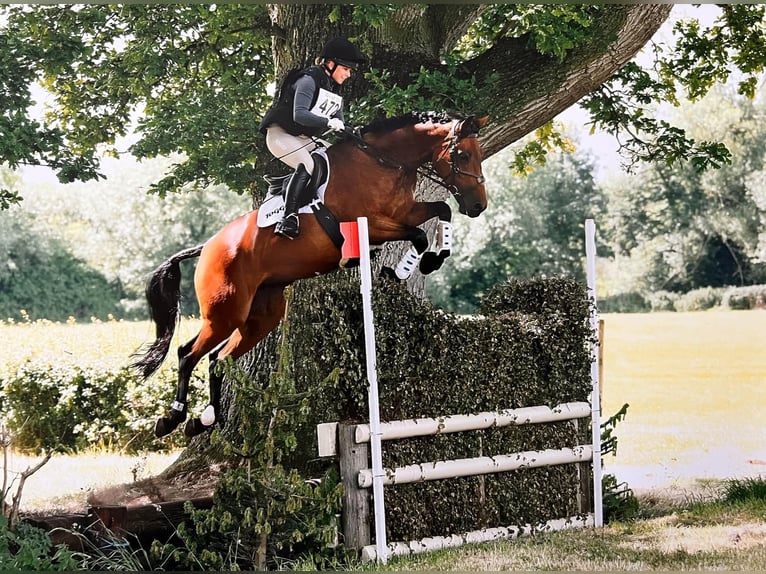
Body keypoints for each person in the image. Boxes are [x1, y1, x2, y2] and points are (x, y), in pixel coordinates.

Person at [259, 37, 365, 239]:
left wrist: (356, 134)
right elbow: (299, 114)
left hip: (300, 138)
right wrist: (328, 122)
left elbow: (340, 126)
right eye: (346, 68)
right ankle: (288, 218)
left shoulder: (333, 90)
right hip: (280, 134)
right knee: (308, 164)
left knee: (337, 158)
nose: (349, 74)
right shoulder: (308, 80)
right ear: (331, 64)